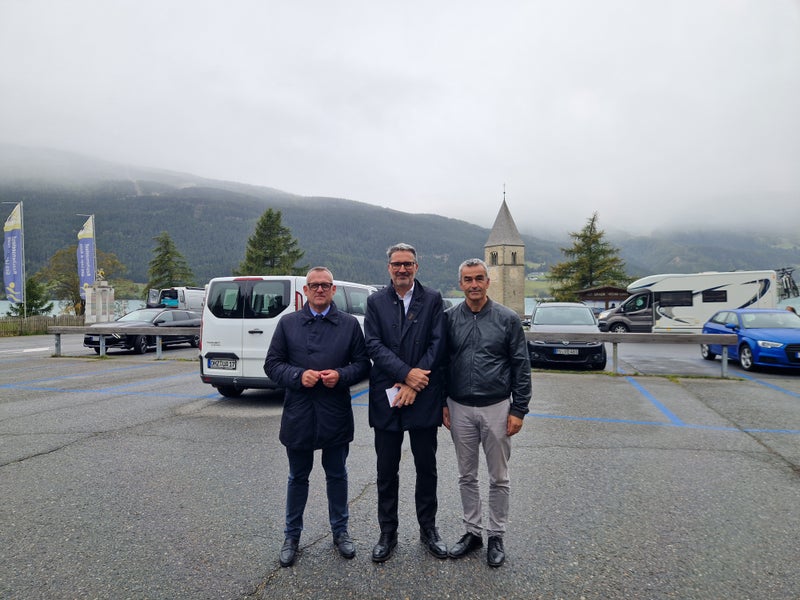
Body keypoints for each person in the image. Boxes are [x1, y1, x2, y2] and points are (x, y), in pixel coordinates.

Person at [264, 267, 370, 568]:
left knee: (337, 475)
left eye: (325, 285)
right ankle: (291, 537)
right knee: (297, 477)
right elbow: (272, 365)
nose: (320, 289)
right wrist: (298, 376)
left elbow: (363, 365)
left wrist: (341, 375)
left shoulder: (349, 324)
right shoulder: (288, 324)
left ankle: (340, 531)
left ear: (333, 290)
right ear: (306, 291)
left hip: (334, 411)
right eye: (314, 285)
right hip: (299, 412)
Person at [443, 258, 532, 568]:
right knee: (466, 475)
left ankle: (496, 535)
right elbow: (441, 364)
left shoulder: (507, 319)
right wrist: (442, 403)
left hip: (497, 406)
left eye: (479, 278)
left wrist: (519, 408)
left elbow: (521, 365)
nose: (474, 285)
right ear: (460, 284)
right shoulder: (449, 319)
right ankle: (472, 532)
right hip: (459, 406)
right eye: (468, 279)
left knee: (499, 477)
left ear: (487, 282)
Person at [364, 242, 448, 562]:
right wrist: (405, 374)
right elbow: (373, 344)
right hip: (387, 394)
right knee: (386, 470)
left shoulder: (433, 299)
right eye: (397, 264)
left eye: (408, 264)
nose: (402, 269)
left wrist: (414, 381)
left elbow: (438, 344)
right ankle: (388, 532)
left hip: (423, 393)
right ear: (389, 268)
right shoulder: (375, 302)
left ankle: (428, 529)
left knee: (426, 467)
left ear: (416, 266)